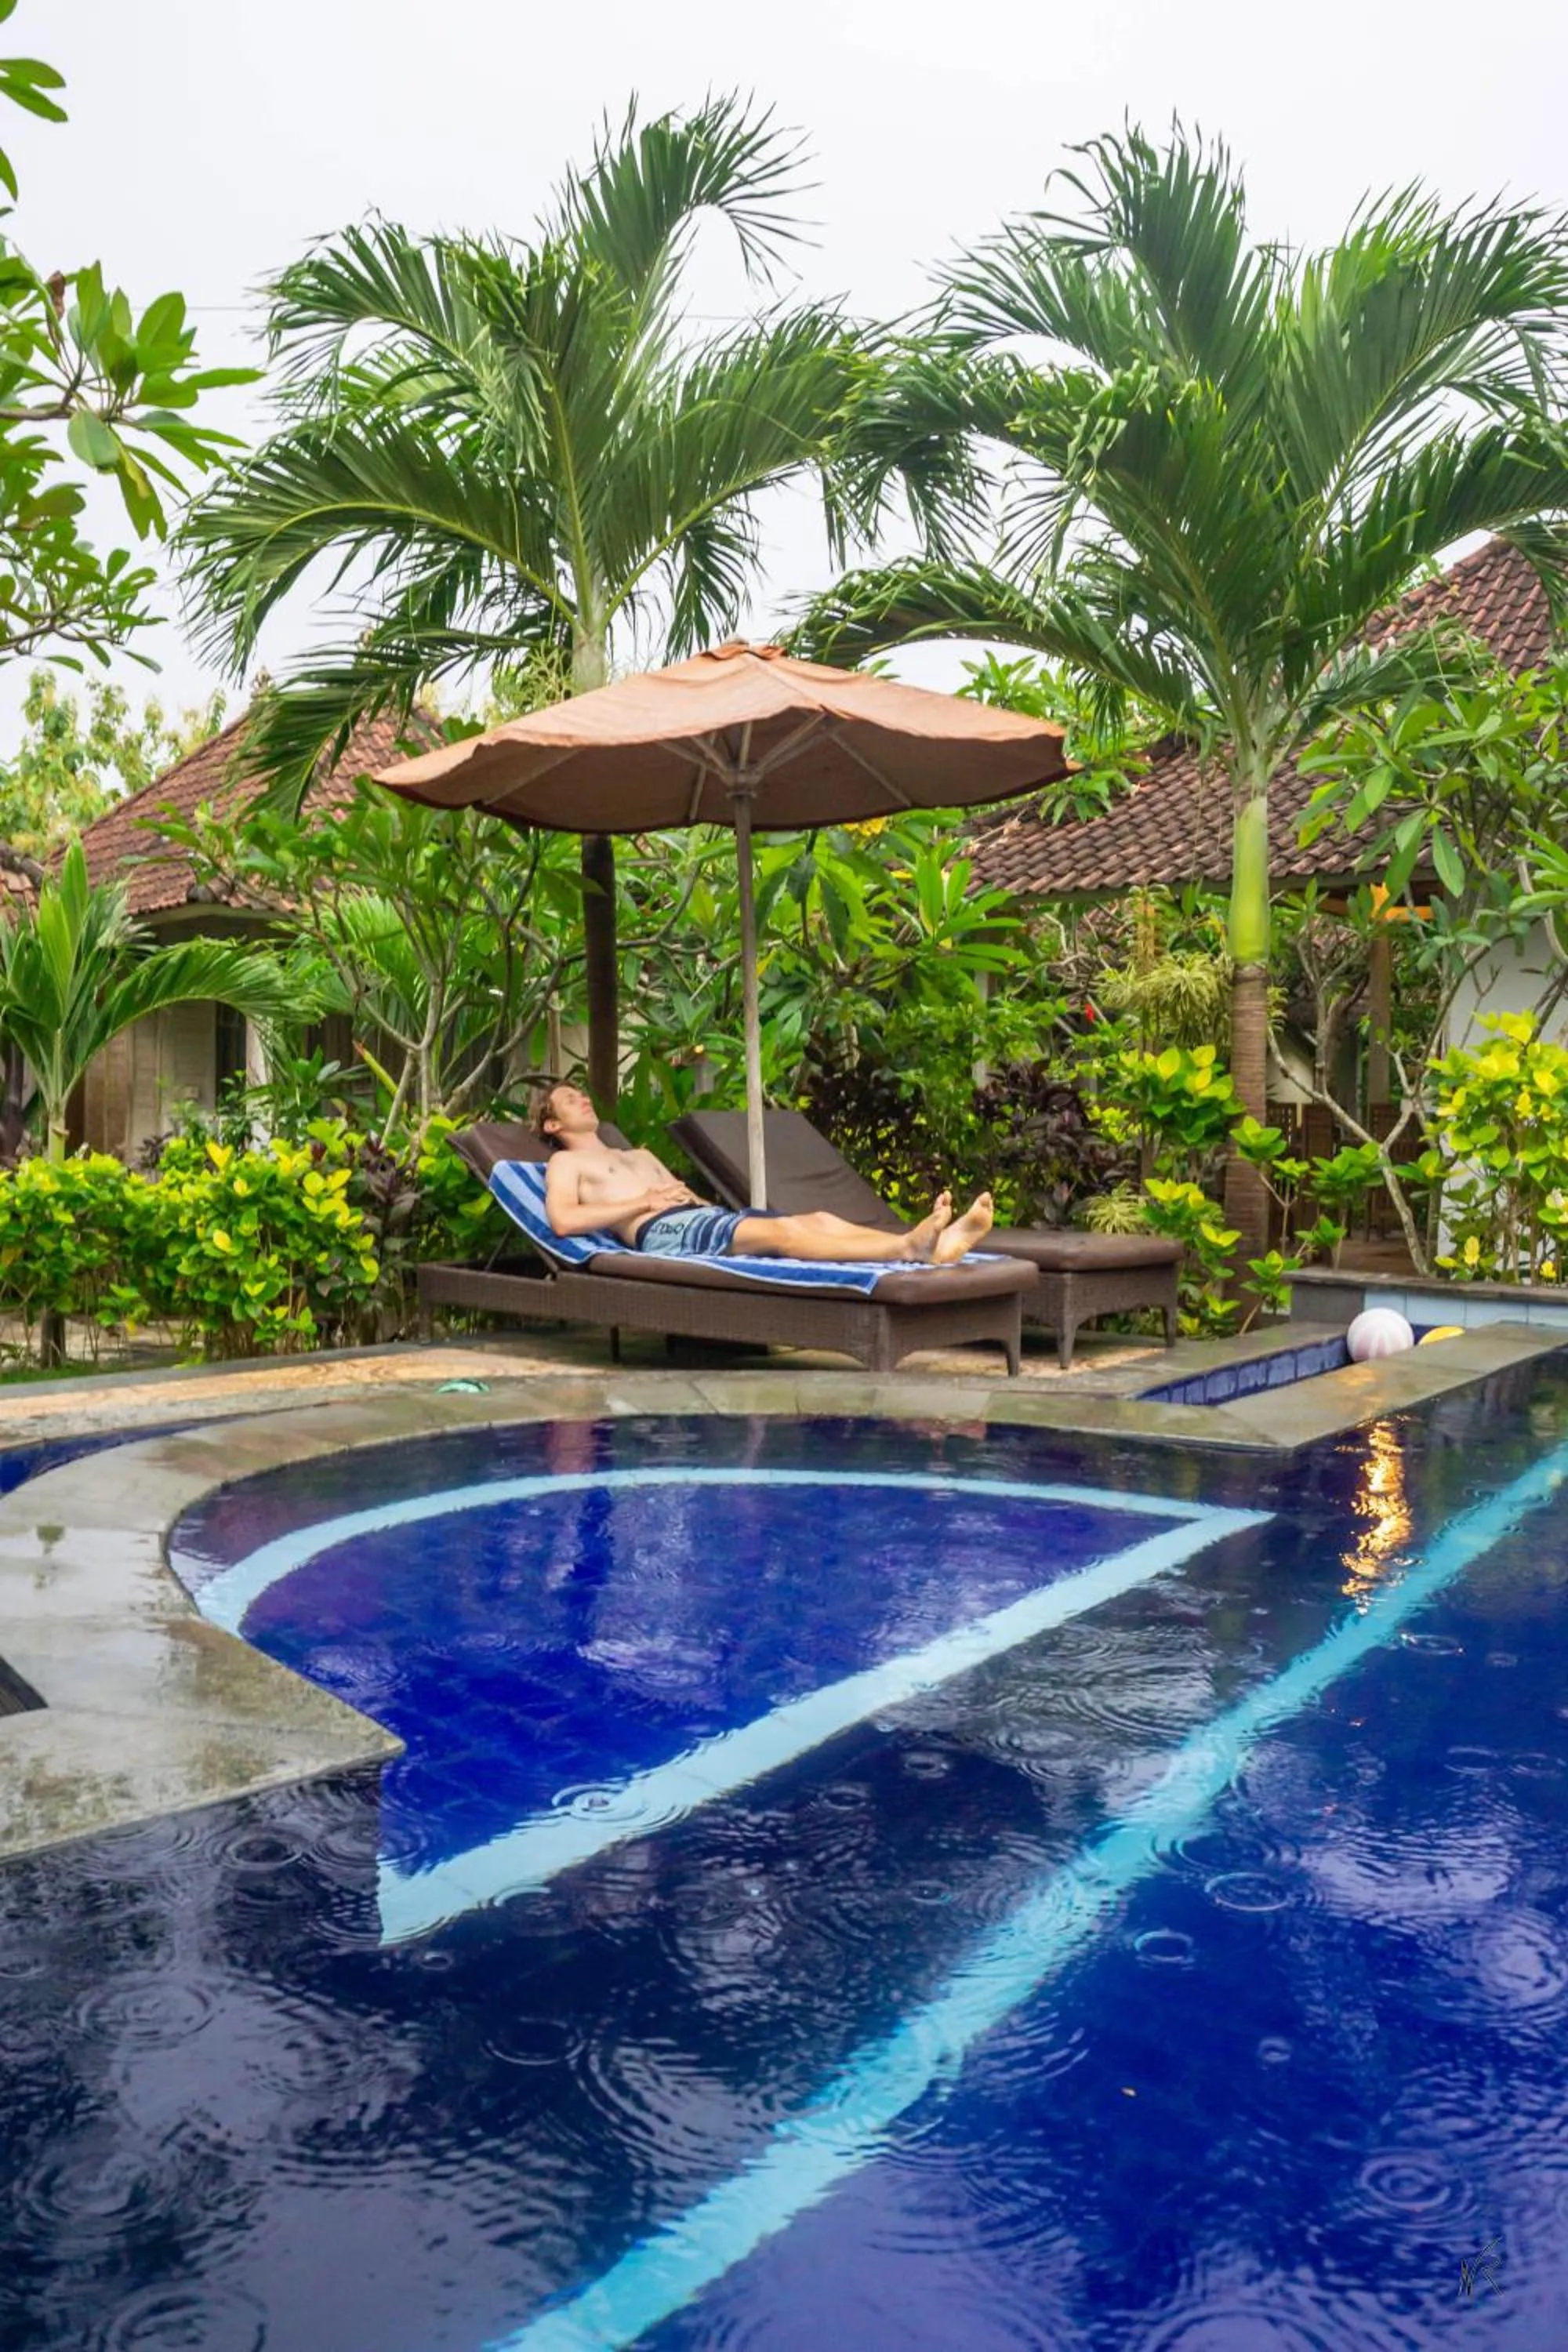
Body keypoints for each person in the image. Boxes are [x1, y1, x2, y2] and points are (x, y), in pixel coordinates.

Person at [533, 1082, 993, 1266]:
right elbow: (563, 1222)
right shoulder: (566, 1162)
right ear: (552, 1125)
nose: (583, 1099)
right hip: (661, 1231)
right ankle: (906, 1248)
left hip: (695, 1220)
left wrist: (700, 1205)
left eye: (582, 1093)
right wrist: (644, 1202)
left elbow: (689, 1198)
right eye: (570, 1100)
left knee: (817, 1220)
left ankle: (931, 1251)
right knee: (787, 1234)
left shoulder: (638, 1153)